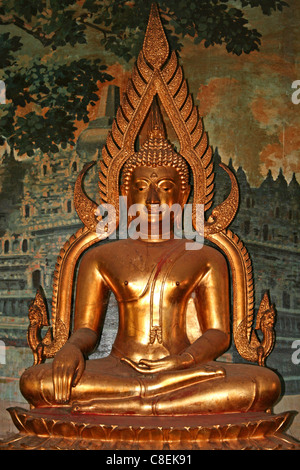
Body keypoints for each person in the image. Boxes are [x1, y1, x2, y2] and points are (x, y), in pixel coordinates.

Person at [20, 128, 281, 415]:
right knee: (35, 382)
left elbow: (218, 333)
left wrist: (183, 361)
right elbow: (87, 330)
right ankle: (147, 397)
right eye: (142, 186)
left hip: (184, 370)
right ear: (125, 193)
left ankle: (132, 401)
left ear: (183, 195)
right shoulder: (99, 256)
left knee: (264, 384)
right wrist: (71, 348)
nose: (153, 199)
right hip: (119, 367)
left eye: (166, 187)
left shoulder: (205, 255)